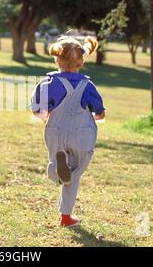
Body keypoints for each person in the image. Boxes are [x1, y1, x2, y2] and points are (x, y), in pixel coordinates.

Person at [31, 35, 105, 227]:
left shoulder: (47, 83)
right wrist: (93, 117)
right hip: (81, 133)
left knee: (57, 163)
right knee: (75, 173)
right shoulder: (87, 85)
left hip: (56, 130)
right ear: (80, 62)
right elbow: (100, 112)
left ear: (57, 59)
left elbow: (36, 109)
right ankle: (66, 216)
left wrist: (46, 116)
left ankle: (55, 171)